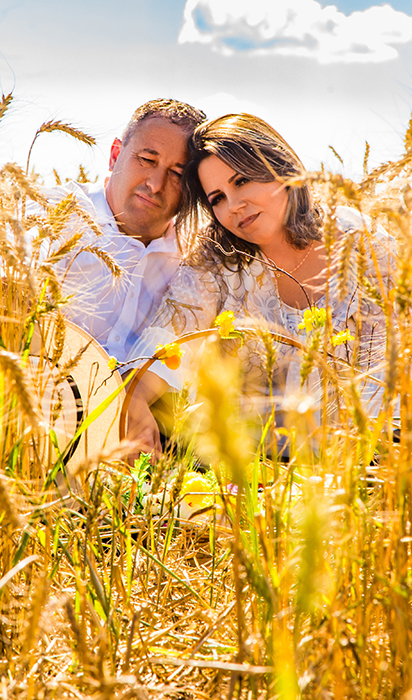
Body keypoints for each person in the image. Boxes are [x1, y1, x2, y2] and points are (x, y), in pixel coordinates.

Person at [124, 113, 392, 459]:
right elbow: (164, 343)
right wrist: (135, 402)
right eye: (217, 198)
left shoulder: (363, 245)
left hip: (357, 470)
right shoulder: (217, 260)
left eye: (242, 181)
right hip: (243, 480)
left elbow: (386, 376)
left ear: (279, 167)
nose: (234, 206)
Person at [38, 99, 207, 363]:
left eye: (177, 174)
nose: (155, 184)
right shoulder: (47, 220)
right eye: (147, 159)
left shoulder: (195, 265)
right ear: (115, 154)